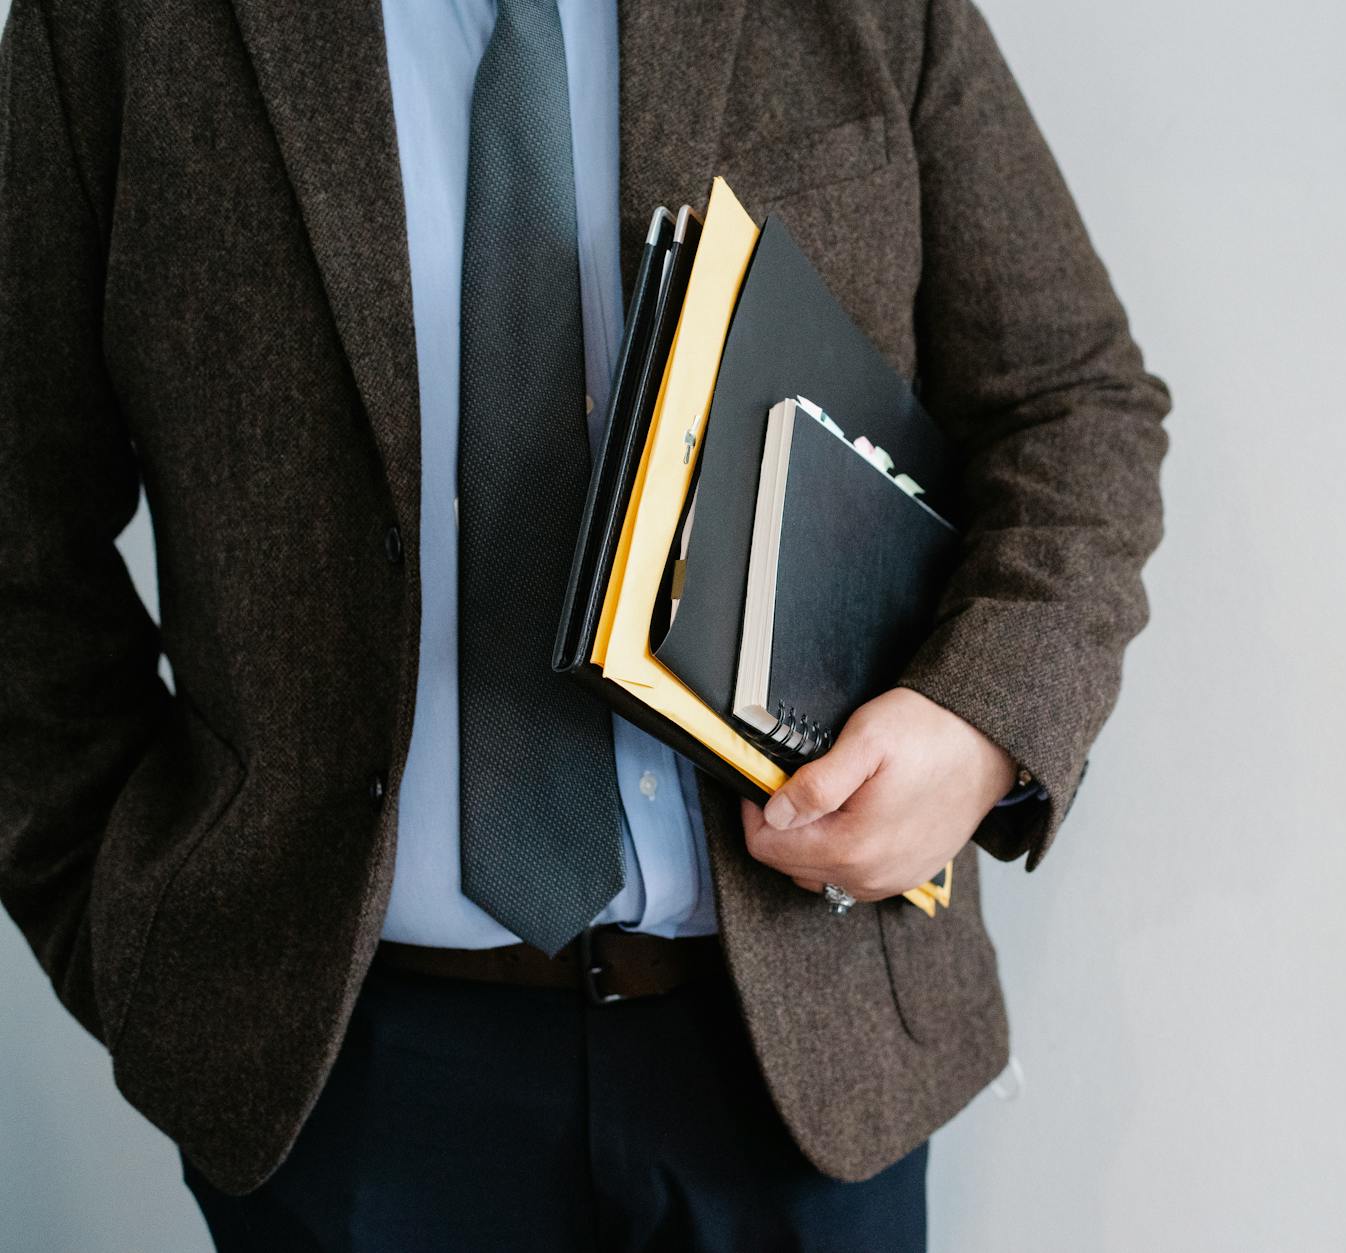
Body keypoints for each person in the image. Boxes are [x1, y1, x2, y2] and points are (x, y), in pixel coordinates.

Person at [0, 0, 1169, 1246]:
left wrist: (984, 720)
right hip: (343, 1081)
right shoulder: (115, 24)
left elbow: (1069, 400)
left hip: (805, 1050)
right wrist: (136, 940)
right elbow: (21, 516)